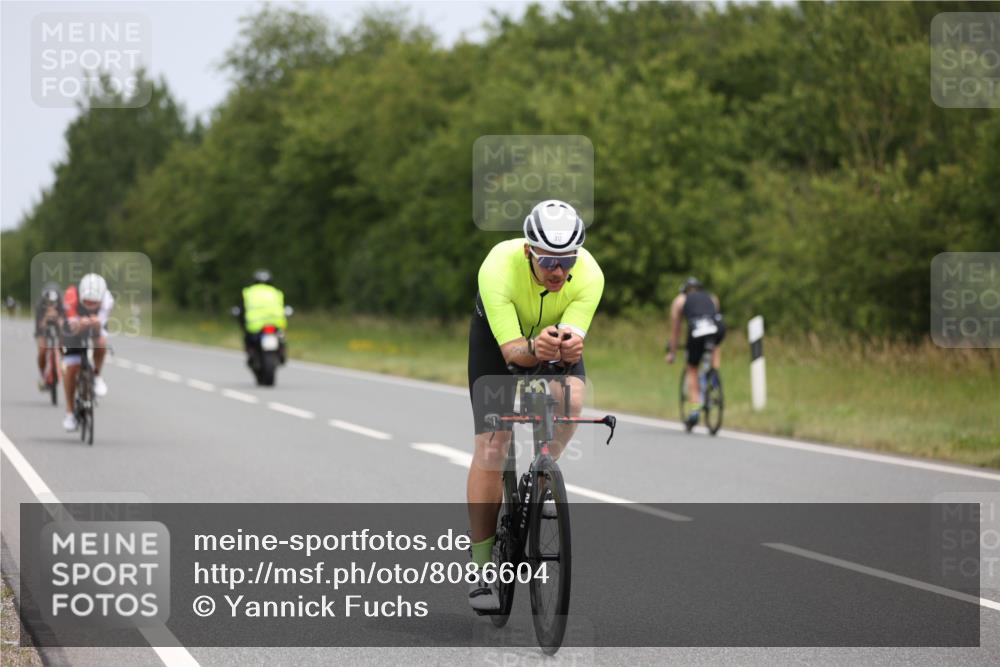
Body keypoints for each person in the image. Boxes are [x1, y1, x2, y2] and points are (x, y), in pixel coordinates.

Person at [466, 199, 604, 611]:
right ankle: (481, 569)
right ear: (529, 251)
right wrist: (532, 348)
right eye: (548, 261)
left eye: (567, 260)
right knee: (492, 448)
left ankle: (543, 474)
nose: (559, 271)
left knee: (573, 396)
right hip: (499, 343)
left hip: (550, 339)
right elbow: (512, 353)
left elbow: (569, 348)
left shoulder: (590, 276)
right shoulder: (497, 267)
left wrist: (563, 348)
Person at [666, 276, 725, 429]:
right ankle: (714, 374)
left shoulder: (680, 300)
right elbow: (715, 316)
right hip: (718, 329)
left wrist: (672, 352)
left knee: (692, 368)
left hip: (697, 330)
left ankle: (695, 410)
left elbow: (676, 330)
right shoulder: (712, 297)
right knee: (715, 343)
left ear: (685, 290)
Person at [62, 273, 114, 431]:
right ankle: (70, 413)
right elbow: (71, 327)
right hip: (74, 325)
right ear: (81, 296)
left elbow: (99, 329)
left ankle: (97, 376)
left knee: (101, 342)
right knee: (71, 369)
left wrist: (94, 323)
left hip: (95, 324)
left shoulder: (107, 300)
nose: (91, 305)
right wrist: (79, 323)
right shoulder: (70, 296)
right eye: (87, 302)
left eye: (94, 303)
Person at [236, 269, 287, 363]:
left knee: (248, 337)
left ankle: (251, 353)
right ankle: (282, 351)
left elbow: (242, 309)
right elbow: (282, 308)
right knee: (281, 336)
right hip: (276, 323)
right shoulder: (276, 292)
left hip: (255, 325)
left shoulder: (249, 292)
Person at [34, 284, 64, 390]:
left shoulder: (62, 305)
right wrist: (46, 318)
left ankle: (64, 364)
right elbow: (39, 327)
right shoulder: (40, 306)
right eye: (48, 303)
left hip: (58, 328)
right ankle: (42, 374)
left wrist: (58, 320)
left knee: (64, 344)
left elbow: (65, 327)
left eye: (53, 303)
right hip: (43, 329)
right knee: (42, 350)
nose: (50, 306)